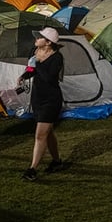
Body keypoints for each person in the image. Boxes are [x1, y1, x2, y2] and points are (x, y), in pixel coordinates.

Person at [17, 27, 66, 181]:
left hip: (51, 100)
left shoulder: (57, 57)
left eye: (40, 37)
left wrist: (38, 63)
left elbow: (50, 78)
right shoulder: (36, 53)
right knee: (47, 132)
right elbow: (32, 70)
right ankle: (57, 161)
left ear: (48, 42)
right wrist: (24, 75)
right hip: (37, 99)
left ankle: (32, 169)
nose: (36, 39)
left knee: (40, 135)